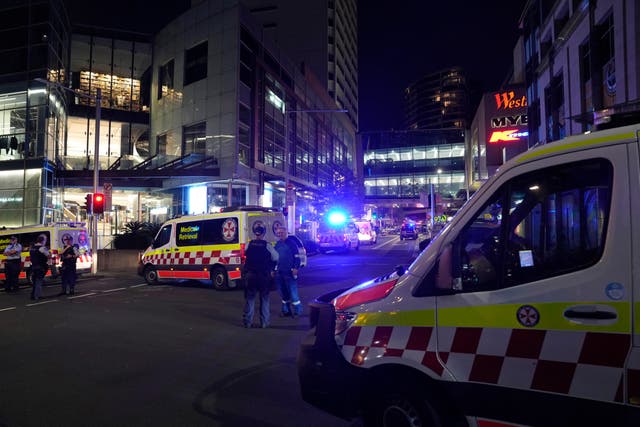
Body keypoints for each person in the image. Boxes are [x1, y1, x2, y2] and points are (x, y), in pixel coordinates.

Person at [242, 225, 278, 328]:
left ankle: (248, 322)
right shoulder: (267, 245)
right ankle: (264, 322)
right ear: (263, 234)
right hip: (263, 276)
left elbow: (245, 254)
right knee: (265, 299)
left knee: (250, 299)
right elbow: (276, 257)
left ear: (255, 233)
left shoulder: (249, 244)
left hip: (251, 275)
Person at [274, 227, 302, 317]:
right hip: (280, 272)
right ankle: (286, 311)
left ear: (286, 233)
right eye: (278, 233)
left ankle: (298, 311)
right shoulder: (277, 244)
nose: (280, 234)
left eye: (281, 232)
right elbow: (274, 259)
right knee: (283, 292)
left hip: (289, 272)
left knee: (293, 293)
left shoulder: (292, 244)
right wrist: (273, 269)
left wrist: (295, 268)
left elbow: (297, 257)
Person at [29, 234, 50, 301]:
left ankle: (33, 295)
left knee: (35, 281)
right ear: (42, 241)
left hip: (34, 266)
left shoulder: (32, 248)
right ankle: (37, 296)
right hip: (41, 266)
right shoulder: (42, 248)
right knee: (39, 281)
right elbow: (48, 256)